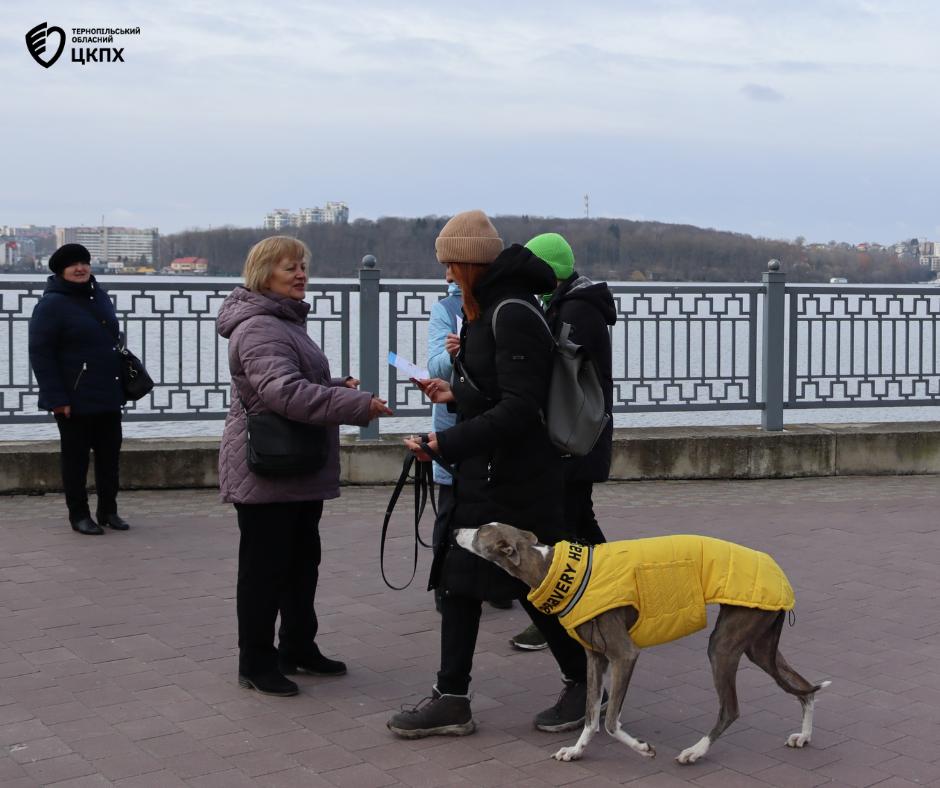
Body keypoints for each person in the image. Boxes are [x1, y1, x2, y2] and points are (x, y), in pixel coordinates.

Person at [386, 210, 594, 738]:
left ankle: (585, 682)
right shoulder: (487, 308)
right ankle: (453, 698)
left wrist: (445, 440)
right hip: (487, 475)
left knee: (539, 589)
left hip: (519, 482)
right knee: (461, 585)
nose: (447, 275)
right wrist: (457, 394)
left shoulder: (513, 312)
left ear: (470, 261)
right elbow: (500, 394)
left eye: (451, 265)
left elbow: (522, 409)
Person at [217, 236, 393, 697]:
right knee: (265, 570)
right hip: (268, 466)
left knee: (300, 563)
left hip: (295, 463)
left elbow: (288, 382)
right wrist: (355, 404)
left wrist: (334, 384)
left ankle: (296, 647)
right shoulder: (259, 327)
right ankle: (255, 662)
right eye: (290, 268)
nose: (301, 275)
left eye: (302, 267)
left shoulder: (283, 321)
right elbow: (281, 394)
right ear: (263, 275)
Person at [508, 233, 617, 652]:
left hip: (575, 434)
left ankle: (561, 612)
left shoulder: (575, 310)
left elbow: (559, 369)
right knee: (576, 518)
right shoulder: (571, 304)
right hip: (580, 432)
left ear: (547, 272)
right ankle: (618, 588)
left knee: (566, 522)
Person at [28, 243, 130, 536]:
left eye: (84, 263)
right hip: (73, 397)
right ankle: (79, 515)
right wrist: (56, 398)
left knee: (110, 456)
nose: (80, 268)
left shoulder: (100, 296)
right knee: (75, 460)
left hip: (109, 392)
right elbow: (40, 354)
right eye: (73, 264)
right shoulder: (51, 304)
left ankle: (108, 511)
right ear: (61, 271)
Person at [426, 272, 512, 613]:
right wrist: (455, 354)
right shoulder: (445, 309)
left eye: (452, 266)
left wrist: (478, 348)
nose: (448, 274)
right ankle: (447, 583)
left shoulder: (501, 307)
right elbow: (435, 367)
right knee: (452, 509)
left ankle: (497, 582)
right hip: (455, 424)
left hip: (494, 424)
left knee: (495, 506)